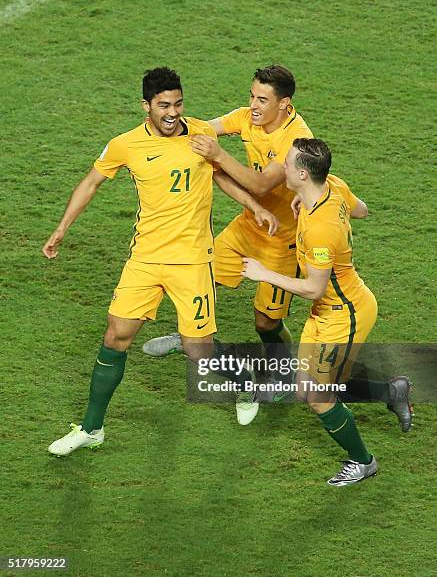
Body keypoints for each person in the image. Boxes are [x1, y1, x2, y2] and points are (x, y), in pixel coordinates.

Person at [43, 67, 278, 456]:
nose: (173, 112)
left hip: (191, 261)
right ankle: (91, 428)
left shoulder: (202, 133)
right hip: (146, 258)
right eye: (163, 105)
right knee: (115, 336)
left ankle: (244, 382)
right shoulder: (126, 144)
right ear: (146, 106)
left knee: (197, 351)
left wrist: (255, 207)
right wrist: (61, 228)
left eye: (178, 103)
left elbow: (222, 175)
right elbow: (91, 182)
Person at [143, 65, 313, 422]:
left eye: (262, 100)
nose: (253, 105)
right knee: (198, 278)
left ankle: (282, 372)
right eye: (252, 95)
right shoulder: (246, 117)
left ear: (285, 104)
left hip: (283, 240)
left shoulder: (295, 141)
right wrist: (168, 124)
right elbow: (203, 129)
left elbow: (262, 185)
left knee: (266, 322)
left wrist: (218, 156)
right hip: (246, 227)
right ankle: (189, 337)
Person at [241, 138, 408, 485]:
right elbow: (361, 209)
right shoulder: (332, 186)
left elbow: (312, 288)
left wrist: (263, 274)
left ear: (303, 173)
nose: (281, 168)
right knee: (308, 388)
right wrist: (308, 202)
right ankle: (391, 391)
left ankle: (364, 461)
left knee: (318, 396)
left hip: (344, 313)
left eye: (286, 164)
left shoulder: (320, 230)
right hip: (327, 311)